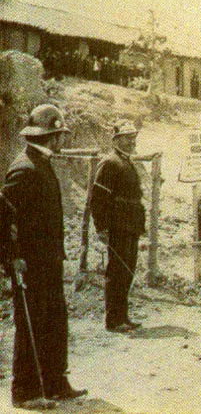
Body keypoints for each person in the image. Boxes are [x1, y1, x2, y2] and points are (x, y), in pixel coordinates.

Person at [1, 104, 87, 409]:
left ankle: (54, 384)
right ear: (52, 136)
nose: (62, 141)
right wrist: (12, 258)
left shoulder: (42, 162)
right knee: (31, 325)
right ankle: (24, 392)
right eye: (60, 135)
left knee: (54, 321)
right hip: (30, 263)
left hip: (49, 261)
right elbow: (4, 219)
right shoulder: (24, 168)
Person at [90, 121, 146, 333]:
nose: (132, 142)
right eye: (127, 138)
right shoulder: (110, 163)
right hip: (118, 225)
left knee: (128, 271)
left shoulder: (126, 162)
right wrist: (101, 227)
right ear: (116, 140)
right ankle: (113, 320)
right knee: (117, 272)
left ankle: (123, 316)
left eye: (133, 138)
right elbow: (98, 198)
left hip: (130, 225)